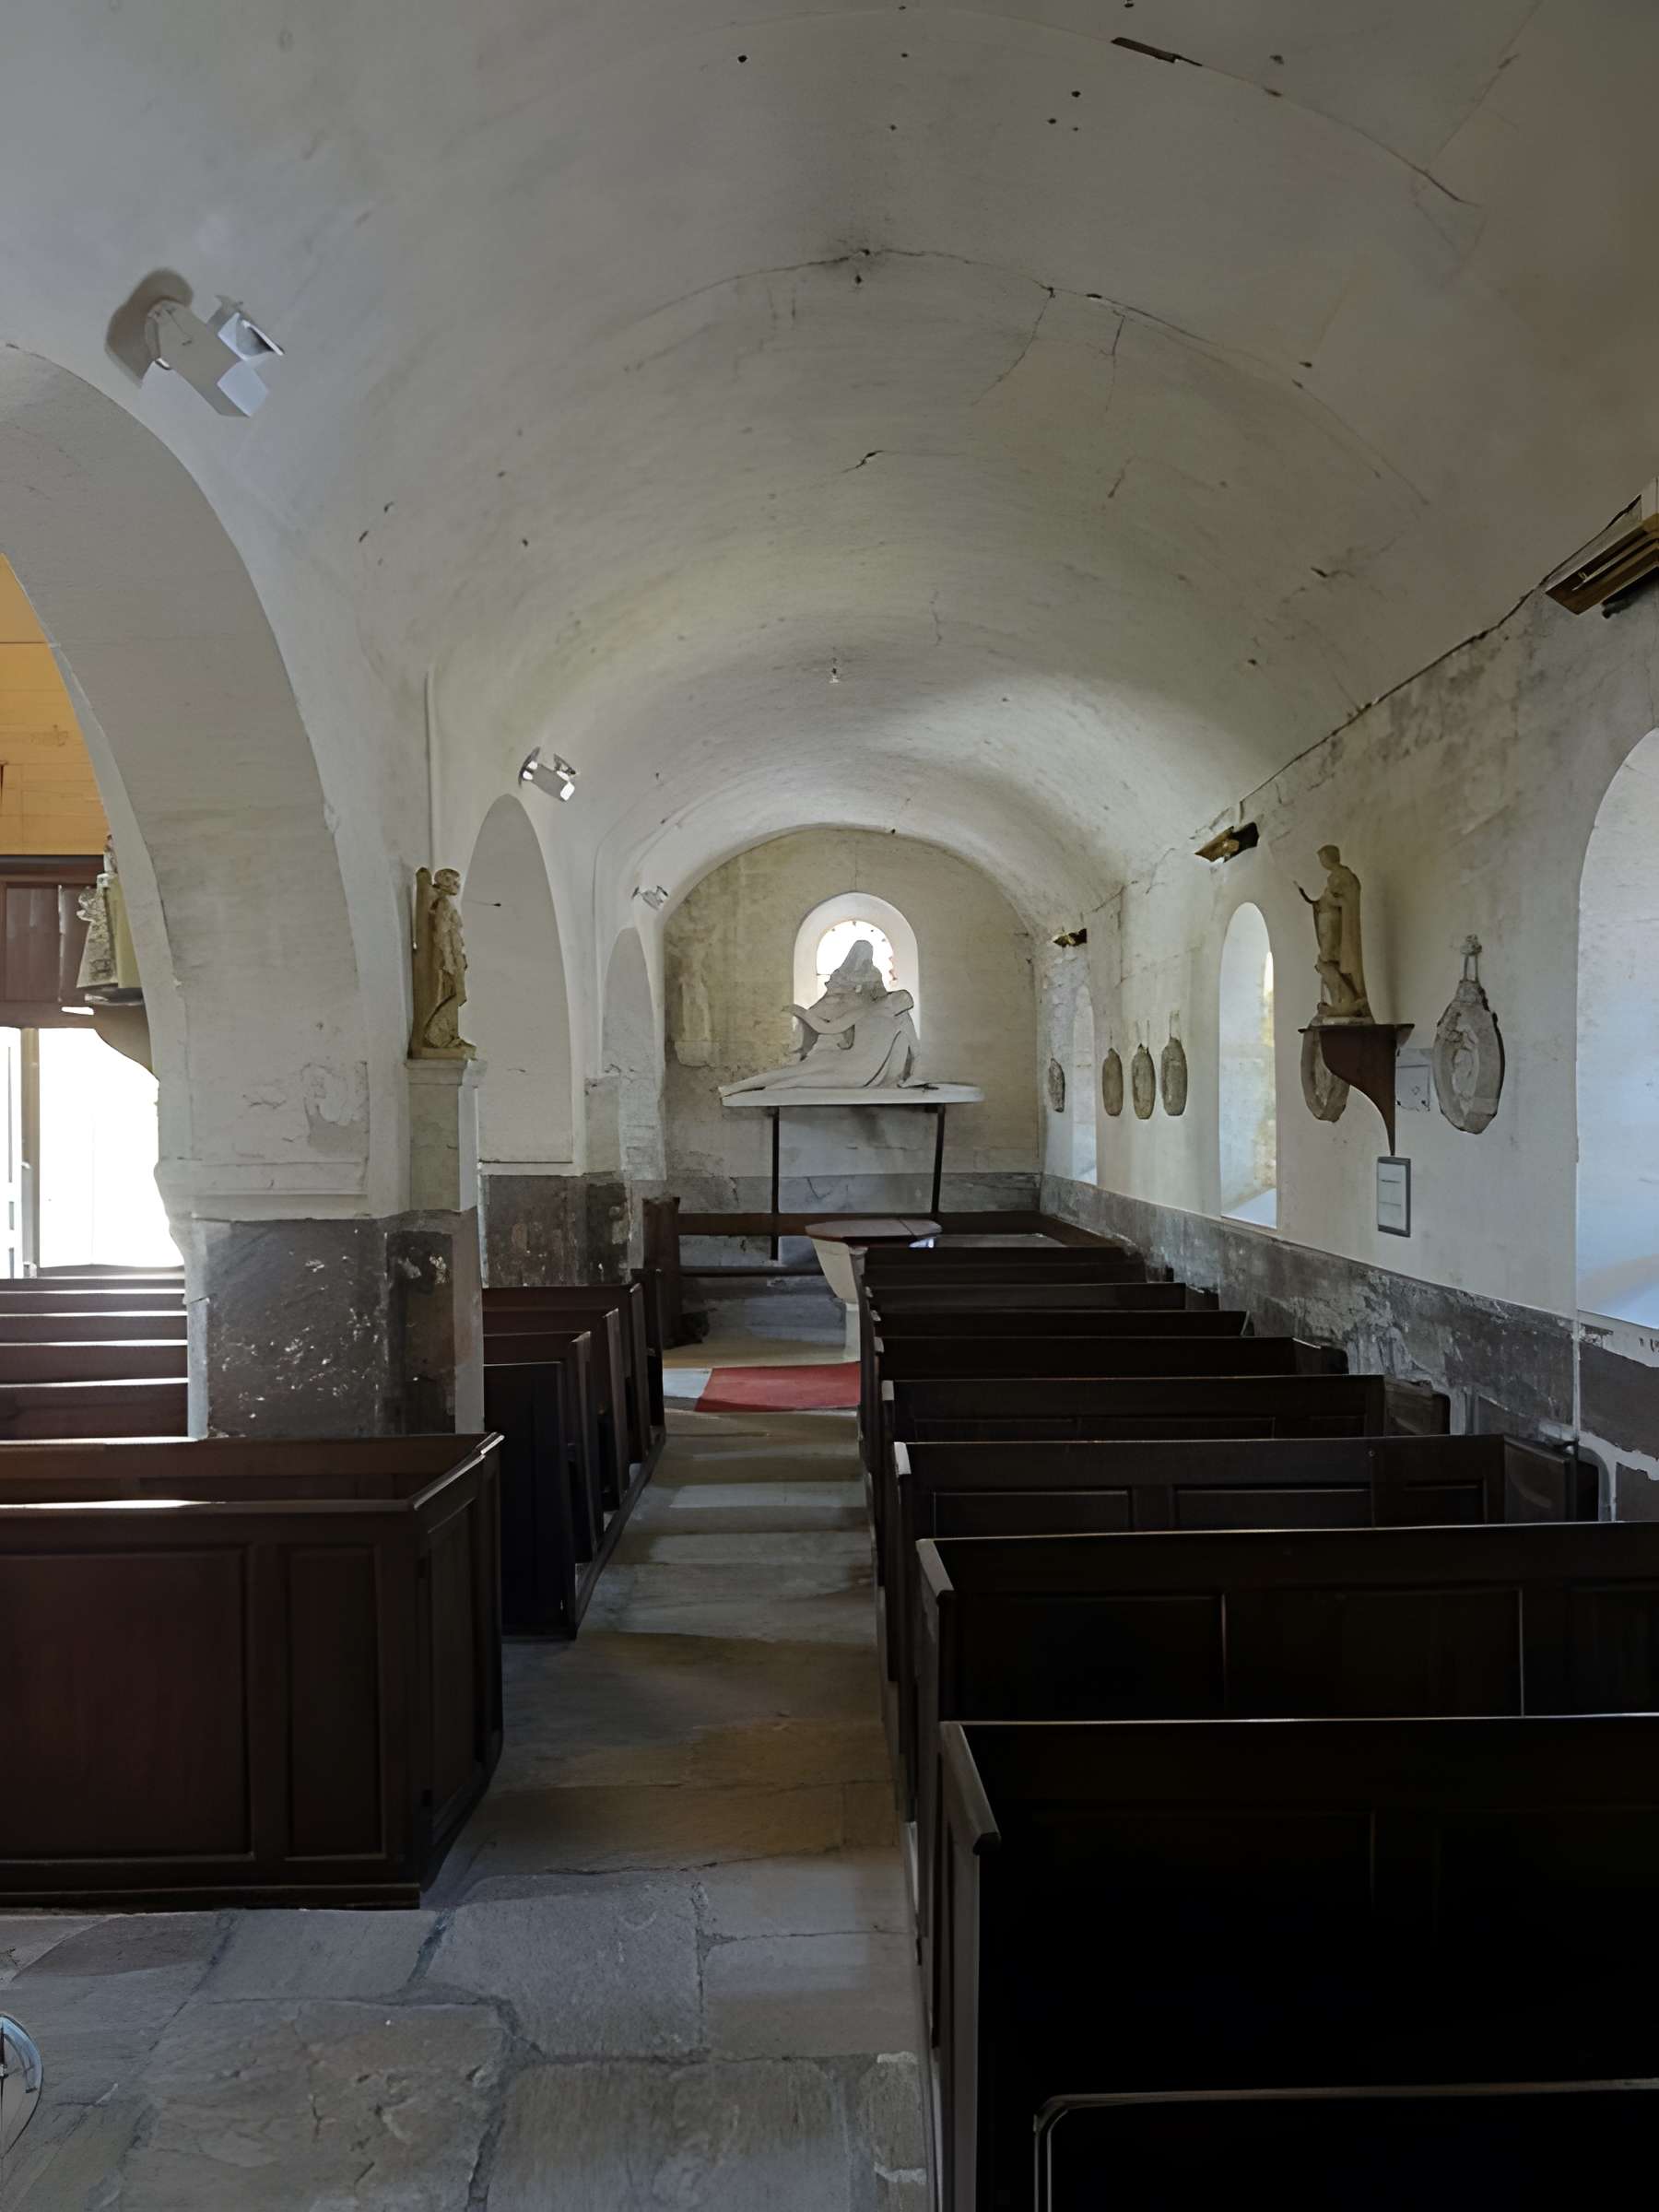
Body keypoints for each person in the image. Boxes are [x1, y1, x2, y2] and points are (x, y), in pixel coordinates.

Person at [719, 937, 919, 1094]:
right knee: (799, 1071)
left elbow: (912, 1051)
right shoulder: (857, 999)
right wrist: (802, 1012)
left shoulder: (890, 1010)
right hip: (842, 1047)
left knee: (800, 1078)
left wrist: (903, 1078)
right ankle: (744, 1086)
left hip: (856, 1070)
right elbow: (828, 1025)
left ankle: (771, 1088)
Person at [410, 865, 477, 1056]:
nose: (457, 885)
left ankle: (447, 1034)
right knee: (453, 994)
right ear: (445, 883)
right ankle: (436, 1036)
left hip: (454, 956)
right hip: (448, 958)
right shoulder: (444, 905)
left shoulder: (447, 903)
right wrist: (447, 960)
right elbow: (441, 933)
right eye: (454, 881)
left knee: (455, 994)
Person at [1300, 844, 1371, 1021]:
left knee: (1334, 959)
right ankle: (1341, 1002)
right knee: (1329, 960)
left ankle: (1349, 1002)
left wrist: (1332, 900)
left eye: (1322, 858)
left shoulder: (1344, 876)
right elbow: (1328, 901)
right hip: (1331, 921)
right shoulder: (1334, 877)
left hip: (1339, 923)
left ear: (1329, 858)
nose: (1322, 862)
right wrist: (1315, 903)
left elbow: (1346, 901)